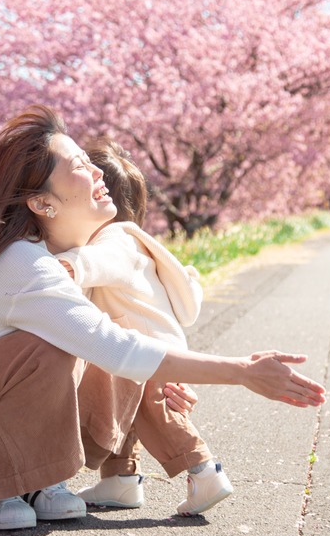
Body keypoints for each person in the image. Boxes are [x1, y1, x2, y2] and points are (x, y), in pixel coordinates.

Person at [0, 106, 326, 531]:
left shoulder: (59, 260)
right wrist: (243, 372)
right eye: (77, 165)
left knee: (100, 334)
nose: (96, 170)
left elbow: (119, 343)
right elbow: (111, 348)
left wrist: (167, 374)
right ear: (41, 203)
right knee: (49, 343)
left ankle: (32, 480)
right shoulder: (20, 264)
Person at [56, 140, 232, 516]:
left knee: (160, 417)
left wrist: (67, 265)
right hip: (157, 348)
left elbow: (99, 262)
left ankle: (205, 472)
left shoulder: (114, 239)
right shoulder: (141, 246)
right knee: (129, 415)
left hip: (148, 354)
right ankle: (121, 480)